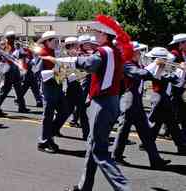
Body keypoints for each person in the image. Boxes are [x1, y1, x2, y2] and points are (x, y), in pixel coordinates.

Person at [67, 15, 131, 191]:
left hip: (101, 103)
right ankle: (84, 186)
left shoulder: (103, 52)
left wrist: (74, 58)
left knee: (99, 151)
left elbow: (89, 65)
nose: (94, 33)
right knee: (92, 145)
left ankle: (124, 188)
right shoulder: (115, 51)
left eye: (97, 31)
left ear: (104, 34)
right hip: (111, 101)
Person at [112, 42, 171, 169]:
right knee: (123, 130)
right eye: (138, 51)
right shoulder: (127, 64)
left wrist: (160, 68)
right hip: (129, 99)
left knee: (145, 132)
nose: (140, 53)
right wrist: (154, 64)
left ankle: (155, 160)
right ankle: (115, 156)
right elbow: (141, 74)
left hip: (136, 99)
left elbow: (151, 76)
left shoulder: (137, 63)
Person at [146, 47, 186, 155]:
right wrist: (158, 64)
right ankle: (147, 144)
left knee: (171, 124)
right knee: (154, 123)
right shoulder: (154, 68)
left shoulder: (166, 68)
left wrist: (183, 70)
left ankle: (181, 146)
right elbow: (152, 74)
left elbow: (177, 82)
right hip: (158, 97)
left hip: (165, 98)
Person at [37, 31, 69, 153]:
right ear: (47, 41)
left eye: (57, 41)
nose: (57, 43)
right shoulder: (42, 53)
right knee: (48, 116)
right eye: (55, 41)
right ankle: (44, 141)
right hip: (48, 87)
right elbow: (38, 72)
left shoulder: (55, 52)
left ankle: (49, 135)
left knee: (64, 111)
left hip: (58, 85)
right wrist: (55, 70)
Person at [60, 36, 90, 140]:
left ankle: (87, 134)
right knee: (66, 112)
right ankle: (53, 129)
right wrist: (80, 74)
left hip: (77, 87)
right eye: (75, 46)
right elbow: (62, 75)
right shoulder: (63, 58)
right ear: (69, 47)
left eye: (77, 46)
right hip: (70, 88)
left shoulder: (77, 57)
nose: (78, 48)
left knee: (82, 111)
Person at [0, 31, 29, 113]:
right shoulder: (7, 46)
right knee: (6, 89)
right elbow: (8, 57)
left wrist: (24, 53)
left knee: (19, 89)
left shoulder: (15, 46)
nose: (14, 39)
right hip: (9, 69)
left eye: (14, 37)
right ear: (8, 38)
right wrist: (20, 52)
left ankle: (22, 107)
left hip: (15, 69)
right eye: (12, 37)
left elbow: (20, 55)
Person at [169, 34, 186, 138]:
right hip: (173, 87)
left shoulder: (184, 53)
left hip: (181, 87)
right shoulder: (173, 54)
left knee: (182, 110)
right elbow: (167, 65)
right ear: (181, 44)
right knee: (172, 110)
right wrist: (179, 65)